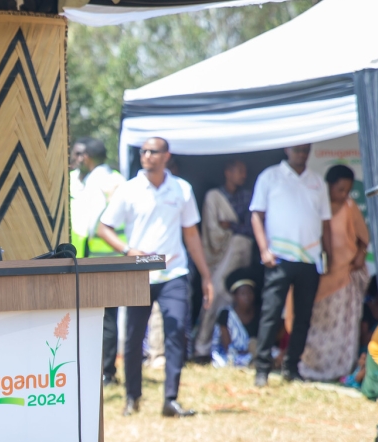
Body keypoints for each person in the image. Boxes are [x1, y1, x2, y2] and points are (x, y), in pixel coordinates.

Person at [96, 137, 213, 418]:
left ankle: (170, 400)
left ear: (166, 156)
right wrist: (127, 249)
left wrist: (206, 276)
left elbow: (191, 234)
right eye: (144, 151)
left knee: (175, 334)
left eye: (153, 152)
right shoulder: (129, 189)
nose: (147, 156)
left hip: (175, 271)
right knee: (134, 337)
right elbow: (104, 227)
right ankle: (132, 397)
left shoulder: (181, 189)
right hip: (140, 273)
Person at [250, 144, 332, 387]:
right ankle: (262, 367)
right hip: (279, 257)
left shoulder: (317, 182)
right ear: (287, 150)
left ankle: (291, 367)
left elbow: (325, 222)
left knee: (303, 316)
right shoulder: (270, 176)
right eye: (297, 149)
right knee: (271, 313)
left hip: (309, 258)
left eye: (306, 150)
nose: (301, 154)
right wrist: (264, 249)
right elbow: (256, 214)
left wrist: (328, 254)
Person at [297, 165, 370, 381]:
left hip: (345, 276)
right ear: (327, 186)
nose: (344, 194)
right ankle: (311, 368)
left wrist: (360, 254)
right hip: (319, 278)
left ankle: (339, 371)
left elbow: (363, 239)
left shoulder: (350, 206)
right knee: (317, 326)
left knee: (342, 329)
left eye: (347, 190)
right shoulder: (314, 206)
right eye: (340, 189)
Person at [69, 136, 126, 384]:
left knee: (100, 317)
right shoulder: (117, 178)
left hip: (94, 255)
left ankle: (105, 372)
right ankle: (107, 370)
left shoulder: (95, 182)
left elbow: (90, 223)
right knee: (109, 315)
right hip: (115, 255)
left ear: (88, 158)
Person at [193, 159, 255, 361]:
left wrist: (231, 227)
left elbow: (252, 229)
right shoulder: (215, 196)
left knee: (223, 296)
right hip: (215, 253)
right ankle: (201, 348)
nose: (243, 175)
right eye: (239, 170)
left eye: (245, 171)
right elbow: (213, 229)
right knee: (212, 297)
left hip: (238, 254)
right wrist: (224, 230)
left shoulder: (247, 197)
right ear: (227, 172)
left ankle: (219, 348)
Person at [211, 265, 262, 367]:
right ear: (235, 296)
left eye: (249, 293)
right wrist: (248, 351)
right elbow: (227, 347)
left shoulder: (258, 312)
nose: (247, 297)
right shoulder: (226, 314)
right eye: (243, 294)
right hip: (235, 354)